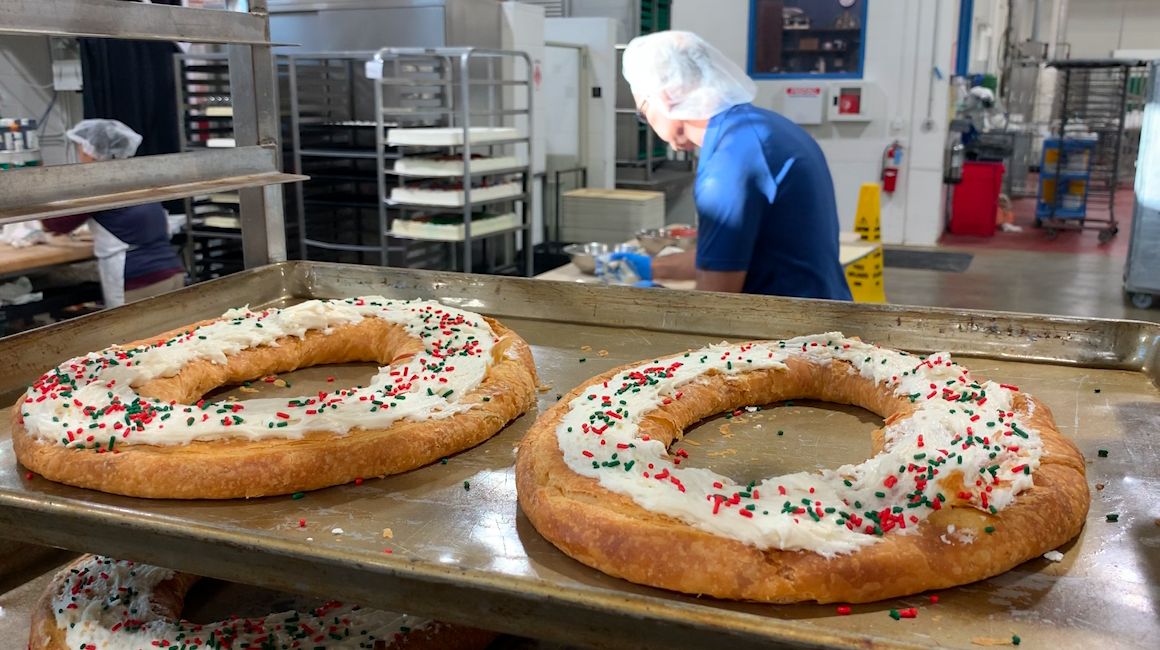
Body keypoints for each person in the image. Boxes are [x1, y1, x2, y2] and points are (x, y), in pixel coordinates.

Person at [612, 31, 852, 300]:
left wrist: (654, 303)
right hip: (824, 311)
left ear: (666, 96)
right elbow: (725, 257)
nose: (648, 122)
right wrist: (651, 268)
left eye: (643, 112)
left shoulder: (727, 163)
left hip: (789, 332)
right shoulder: (763, 129)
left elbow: (715, 304)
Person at [42, 119, 185, 308]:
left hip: (140, 279)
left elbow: (56, 224)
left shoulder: (97, 183)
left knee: (136, 336)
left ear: (88, 150)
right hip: (172, 270)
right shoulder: (134, 175)